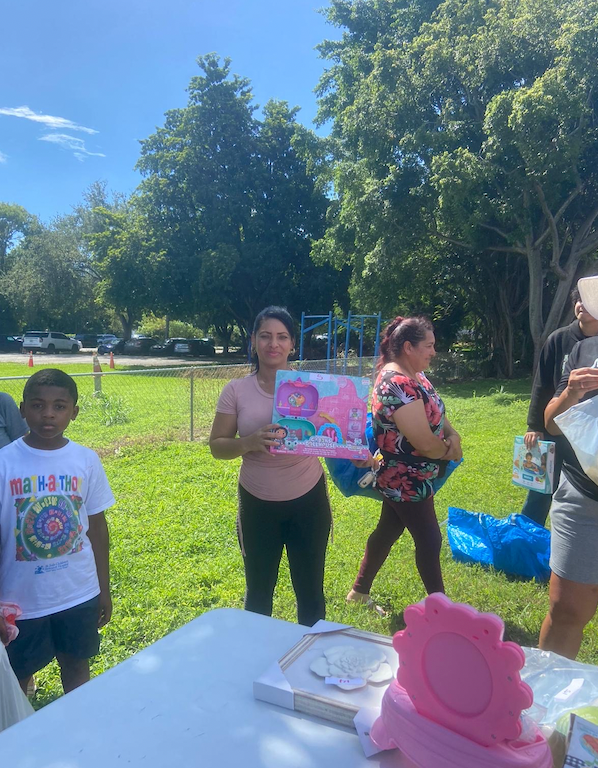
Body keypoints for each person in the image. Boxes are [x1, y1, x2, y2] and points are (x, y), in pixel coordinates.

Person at [209, 307, 331, 627]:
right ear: (253, 341)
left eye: (281, 337)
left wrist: (354, 451)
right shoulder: (236, 391)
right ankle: (255, 667)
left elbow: (333, 435)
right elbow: (217, 446)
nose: (273, 344)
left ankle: (308, 671)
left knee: (311, 595)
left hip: (309, 500)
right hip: (257, 503)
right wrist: (247, 442)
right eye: (265, 336)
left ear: (292, 344)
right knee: (259, 595)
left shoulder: (313, 387)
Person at [0, 369, 114, 694]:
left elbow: (98, 529)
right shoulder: (4, 463)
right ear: (22, 409)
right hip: (20, 601)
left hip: (77, 593)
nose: (48, 414)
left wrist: (102, 589)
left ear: (74, 412)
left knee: (77, 667)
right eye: (38, 405)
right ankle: (19, 740)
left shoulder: (86, 460)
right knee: (16, 677)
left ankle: (80, 734)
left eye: (59, 406)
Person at [346, 316, 462, 610]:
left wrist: (453, 435)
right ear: (408, 347)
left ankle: (358, 592)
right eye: (429, 345)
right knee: (430, 539)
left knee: (388, 530)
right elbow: (422, 442)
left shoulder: (415, 374)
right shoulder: (396, 383)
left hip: (413, 473)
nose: (434, 351)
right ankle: (441, 608)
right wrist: (448, 451)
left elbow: (435, 408)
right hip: (404, 476)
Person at [540, 330, 598, 659]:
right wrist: (572, 392)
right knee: (566, 612)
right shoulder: (585, 349)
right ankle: (543, 703)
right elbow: (551, 422)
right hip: (583, 499)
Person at [520, 287, 598, 525]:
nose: (581, 305)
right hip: (555, 428)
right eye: (578, 300)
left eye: (588, 301)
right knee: (541, 487)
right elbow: (542, 384)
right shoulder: (559, 338)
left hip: (588, 437)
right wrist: (534, 425)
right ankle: (528, 537)